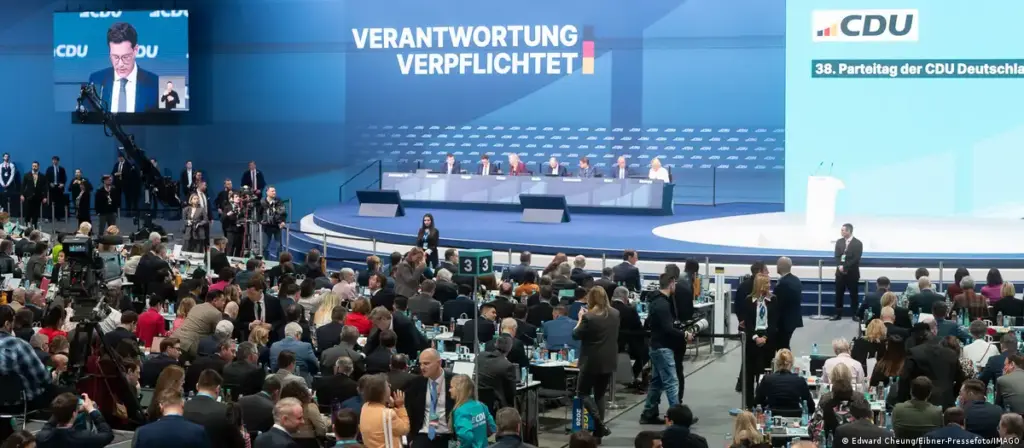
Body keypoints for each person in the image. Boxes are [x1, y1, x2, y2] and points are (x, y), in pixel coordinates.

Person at [640, 274, 688, 424]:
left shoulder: (655, 301)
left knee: (657, 383)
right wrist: (684, 334)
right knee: (672, 382)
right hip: (663, 347)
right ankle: (677, 417)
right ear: (671, 283)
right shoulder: (663, 304)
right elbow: (668, 328)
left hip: (656, 346)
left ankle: (648, 413)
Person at [572, 286, 619, 437]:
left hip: (591, 360)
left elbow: (575, 335)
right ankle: (598, 433)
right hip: (609, 359)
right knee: (600, 395)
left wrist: (580, 318)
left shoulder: (589, 317)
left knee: (582, 393)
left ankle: (599, 424)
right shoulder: (615, 313)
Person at [88, 22, 159, 113]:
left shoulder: (155, 83)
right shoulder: (96, 80)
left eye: (125, 57)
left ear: (135, 50)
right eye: (115, 57)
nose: (120, 64)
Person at [897, 318, 966, 408]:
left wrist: (902, 401)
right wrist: (953, 395)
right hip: (946, 402)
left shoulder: (914, 353)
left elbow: (904, 379)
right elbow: (961, 379)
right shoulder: (951, 354)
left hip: (920, 404)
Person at [741, 273, 780, 407]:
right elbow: (748, 322)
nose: (769, 285)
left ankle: (762, 402)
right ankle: (749, 403)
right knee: (750, 372)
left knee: (765, 372)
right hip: (752, 339)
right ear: (760, 285)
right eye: (767, 283)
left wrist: (765, 337)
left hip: (768, 339)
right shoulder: (748, 300)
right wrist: (755, 337)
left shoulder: (773, 300)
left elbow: (774, 322)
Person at [808, 363, 868, 444]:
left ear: (832, 379)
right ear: (850, 378)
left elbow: (813, 428)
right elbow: (870, 425)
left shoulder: (825, 399)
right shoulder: (860, 398)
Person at [184, 370, 246, 448]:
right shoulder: (225, 410)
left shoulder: (182, 408)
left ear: (197, 386)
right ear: (218, 389)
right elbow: (238, 443)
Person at [35, 393, 113, 448]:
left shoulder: (42, 437)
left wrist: (62, 410)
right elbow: (108, 434)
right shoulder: (85, 437)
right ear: (73, 414)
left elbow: (49, 424)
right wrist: (91, 410)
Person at [754, 349, 815, 414]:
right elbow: (811, 407)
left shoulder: (767, 379)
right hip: (796, 417)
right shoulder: (800, 380)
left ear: (776, 363)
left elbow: (757, 403)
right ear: (792, 363)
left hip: (772, 417)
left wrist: (767, 402)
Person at [359, 373, 410, 448]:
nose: (390, 386)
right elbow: (404, 429)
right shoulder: (388, 414)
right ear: (382, 392)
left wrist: (391, 405)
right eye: (388, 386)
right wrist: (401, 407)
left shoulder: (365, 407)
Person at [174, 290, 228, 358]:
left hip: (175, 337)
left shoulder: (196, 306)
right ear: (215, 300)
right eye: (222, 300)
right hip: (189, 345)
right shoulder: (217, 313)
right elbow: (218, 335)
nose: (224, 303)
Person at [363, 306, 429, 360]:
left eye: (376, 324)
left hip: (419, 352)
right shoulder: (383, 324)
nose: (376, 327)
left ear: (383, 319)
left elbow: (413, 345)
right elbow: (373, 341)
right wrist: (363, 354)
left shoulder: (403, 325)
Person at [449, 374, 496, 448]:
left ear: (459, 389)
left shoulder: (460, 411)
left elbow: (467, 436)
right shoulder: (481, 405)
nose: (449, 390)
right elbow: (493, 427)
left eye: (451, 387)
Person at [279, 381, 330, 447]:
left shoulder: (280, 409)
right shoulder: (310, 407)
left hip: (287, 443)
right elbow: (321, 431)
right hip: (309, 444)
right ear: (303, 393)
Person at [892, 376, 943, 440]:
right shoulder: (937, 412)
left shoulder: (898, 409)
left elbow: (894, 430)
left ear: (911, 391)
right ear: (930, 394)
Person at [475, 335, 517, 409]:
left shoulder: (481, 356)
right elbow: (512, 393)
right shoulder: (508, 366)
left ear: (495, 344)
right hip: (497, 406)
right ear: (510, 348)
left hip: (476, 401)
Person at [832, 223, 863, 320]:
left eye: (843, 230)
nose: (841, 232)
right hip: (840, 273)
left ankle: (855, 314)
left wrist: (845, 267)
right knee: (838, 294)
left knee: (853, 295)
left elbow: (856, 258)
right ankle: (838, 314)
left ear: (849, 231)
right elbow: (837, 256)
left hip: (852, 273)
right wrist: (839, 266)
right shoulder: (839, 242)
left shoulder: (858, 243)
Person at [773, 257, 803, 350]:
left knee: (781, 346)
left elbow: (777, 304)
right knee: (784, 344)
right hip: (792, 319)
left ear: (780, 266)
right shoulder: (796, 280)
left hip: (784, 322)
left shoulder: (783, 283)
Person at [260, 186, 287, 260]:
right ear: (267, 192)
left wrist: (283, 221)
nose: (274, 192)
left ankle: (279, 262)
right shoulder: (262, 202)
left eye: (275, 191)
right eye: (272, 191)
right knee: (265, 246)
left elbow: (283, 212)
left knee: (279, 246)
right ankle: (265, 262)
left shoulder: (279, 200)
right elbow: (259, 212)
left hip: (277, 226)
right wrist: (260, 220)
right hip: (266, 227)